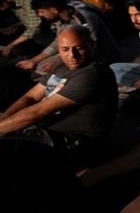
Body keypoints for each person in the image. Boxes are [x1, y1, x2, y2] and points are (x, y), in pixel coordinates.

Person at [0, 25, 118, 167]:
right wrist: (5, 117)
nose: (72, 55)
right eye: (65, 49)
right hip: (49, 130)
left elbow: (37, 112)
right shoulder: (61, 65)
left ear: (92, 44)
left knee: (7, 144)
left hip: (76, 142)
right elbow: (31, 96)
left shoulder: (91, 74)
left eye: (79, 48)